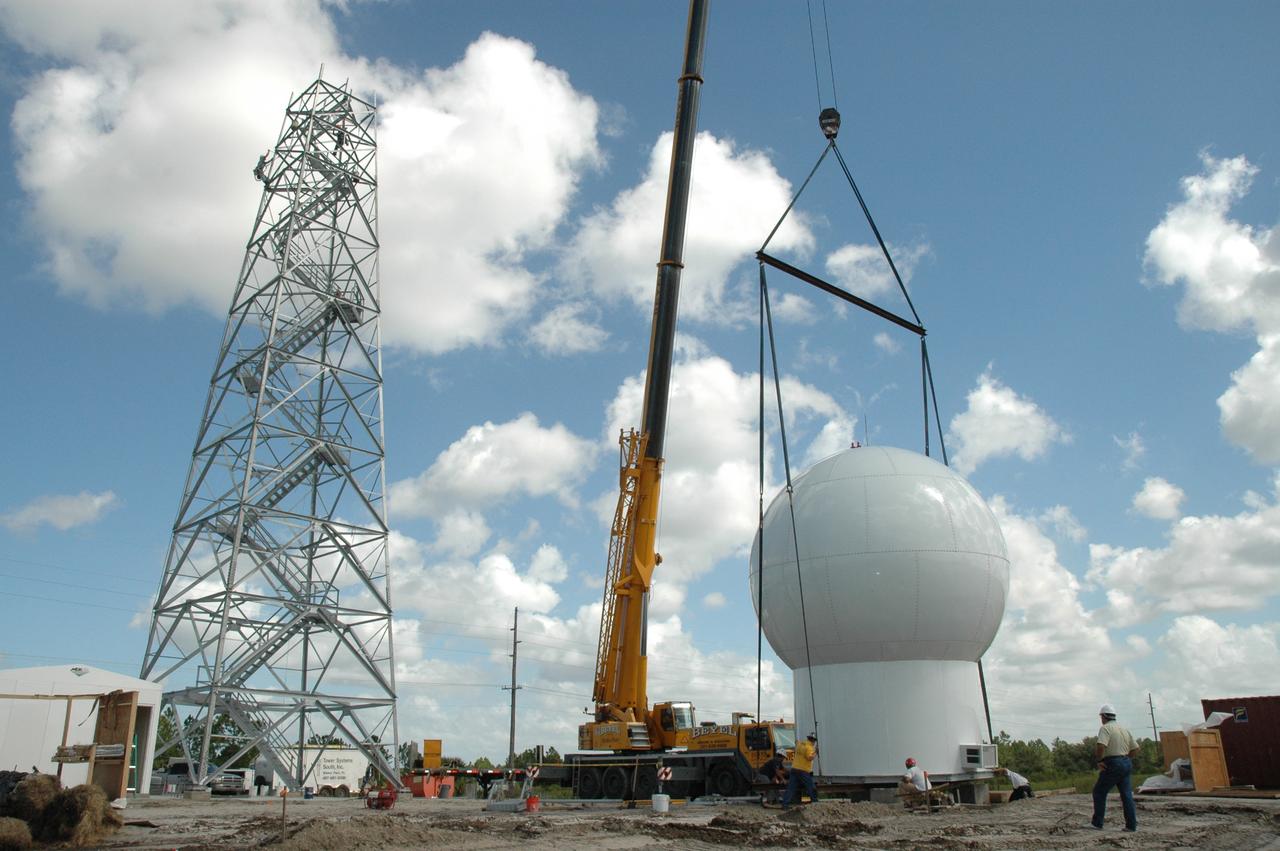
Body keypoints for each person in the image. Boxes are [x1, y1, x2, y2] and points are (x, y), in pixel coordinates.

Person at [1090, 703, 1139, 832]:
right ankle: (1131, 825)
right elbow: (1136, 748)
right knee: (1126, 795)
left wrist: (1099, 760)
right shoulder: (1124, 729)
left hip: (1113, 763)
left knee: (1099, 792)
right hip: (1126, 762)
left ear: (1104, 716)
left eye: (1101, 717)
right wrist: (1126, 758)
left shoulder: (1105, 728)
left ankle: (1097, 823)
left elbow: (1101, 745)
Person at [781, 733, 818, 810]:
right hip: (803, 770)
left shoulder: (800, 744)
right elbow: (809, 757)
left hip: (794, 769)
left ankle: (785, 804)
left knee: (791, 788)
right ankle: (815, 803)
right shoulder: (809, 747)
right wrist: (816, 752)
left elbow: (796, 742)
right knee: (811, 787)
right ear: (813, 741)